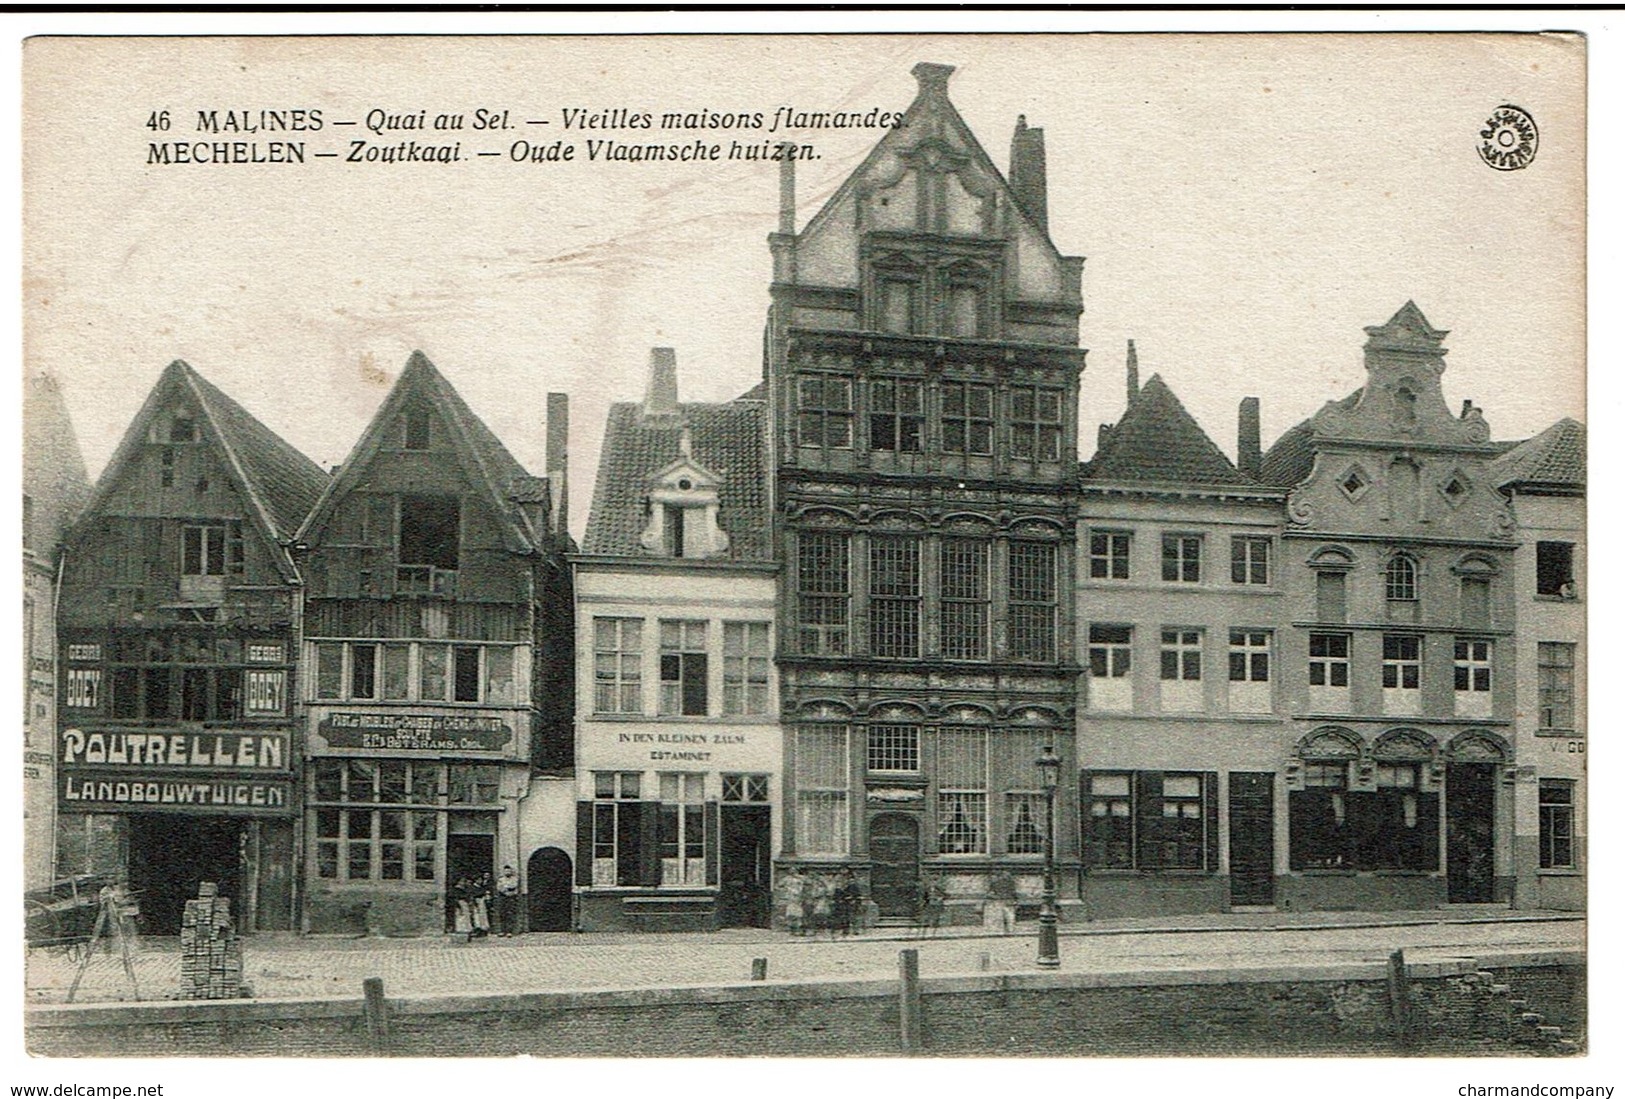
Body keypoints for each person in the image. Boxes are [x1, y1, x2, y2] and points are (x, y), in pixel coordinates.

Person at [986, 869, 1017, 935]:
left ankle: (1004, 930)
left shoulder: (994, 880)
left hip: (1001, 900)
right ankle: (1009, 930)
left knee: (1004, 915)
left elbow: (991, 890)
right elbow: (1013, 890)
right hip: (1007, 899)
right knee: (1009, 916)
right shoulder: (1006, 879)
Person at [777, 867, 806, 937]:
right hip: (791, 898)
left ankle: (799, 929)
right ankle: (792, 930)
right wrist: (785, 890)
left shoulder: (801, 878)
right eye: (791, 871)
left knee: (799, 915)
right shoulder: (786, 879)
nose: (793, 872)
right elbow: (778, 886)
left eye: (794, 870)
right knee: (791, 914)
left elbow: (807, 884)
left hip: (800, 898)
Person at [834, 869, 863, 937]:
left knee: (852, 916)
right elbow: (837, 893)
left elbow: (857, 893)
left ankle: (855, 929)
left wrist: (853, 898)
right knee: (844, 916)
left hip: (851, 902)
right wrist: (839, 899)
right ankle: (845, 930)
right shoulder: (839, 885)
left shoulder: (853, 884)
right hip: (843, 902)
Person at [494, 864, 521, 937]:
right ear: (504, 872)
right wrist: (506, 891)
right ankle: (502, 931)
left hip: (512, 897)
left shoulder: (514, 879)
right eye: (506, 871)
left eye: (509, 871)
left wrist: (508, 888)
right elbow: (499, 888)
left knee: (510, 914)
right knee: (502, 914)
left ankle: (510, 931)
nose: (507, 872)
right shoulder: (501, 879)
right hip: (503, 897)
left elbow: (514, 886)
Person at [470, 872, 492, 938]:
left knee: (483, 916)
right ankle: (478, 929)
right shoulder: (473, 887)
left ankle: (483, 929)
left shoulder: (481, 887)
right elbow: (473, 895)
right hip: (477, 902)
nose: (480, 881)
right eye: (479, 880)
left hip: (482, 902)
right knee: (477, 916)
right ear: (476, 880)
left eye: (481, 880)